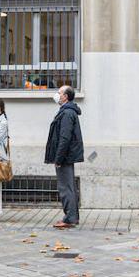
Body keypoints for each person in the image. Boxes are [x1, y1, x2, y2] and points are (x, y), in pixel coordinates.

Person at [44, 85, 84, 229]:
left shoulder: (67, 113)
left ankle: (69, 219)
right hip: (67, 156)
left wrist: (58, 158)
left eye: (59, 93)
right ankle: (72, 217)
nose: (56, 95)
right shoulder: (68, 111)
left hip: (65, 157)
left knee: (66, 188)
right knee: (69, 187)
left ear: (65, 96)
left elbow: (64, 138)